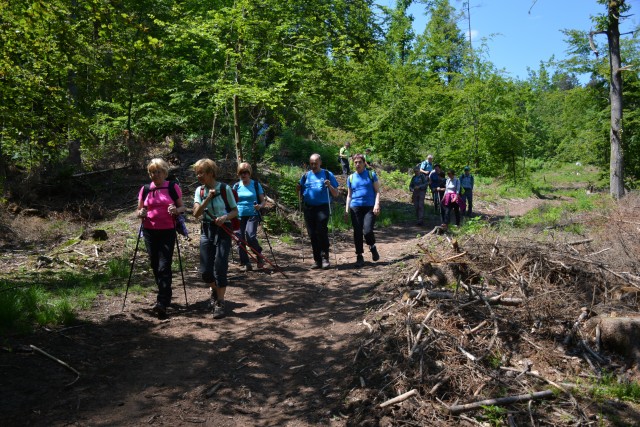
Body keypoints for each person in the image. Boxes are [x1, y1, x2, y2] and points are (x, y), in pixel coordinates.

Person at [136, 158, 186, 318]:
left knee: (164, 265)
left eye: (158, 172)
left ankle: (162, 302)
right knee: (155, 264)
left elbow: (183, 207)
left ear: (164, 172)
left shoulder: (172, 187)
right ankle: (166, 293)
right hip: (149, 231)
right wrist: (141, 213)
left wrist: (176, 210)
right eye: (152, 172)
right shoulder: (145, 189)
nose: (155, 175)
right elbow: (139, 210)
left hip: (167, 230)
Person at [193, 158, 239, 319]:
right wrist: (208, 198)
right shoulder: (199, 191)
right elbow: (196, 213)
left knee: (220, 266)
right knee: (206, 271)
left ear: (211, 173)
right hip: (207, 230)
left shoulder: (225, 189)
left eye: (201, 173)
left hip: (224, 230)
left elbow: (235, 211)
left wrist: (224, 217)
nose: (198, 176)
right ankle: (213, 290)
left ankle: (220, 301)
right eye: (197, 173)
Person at [297, 154, 340, 269]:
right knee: (312, 234)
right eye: (311, 163)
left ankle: (325, 257)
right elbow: (300, 192)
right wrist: (298, 191)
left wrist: (329, 186)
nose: (313, 165)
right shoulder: (305, 176)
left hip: (322, 207)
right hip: (309, 208)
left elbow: (336, 193)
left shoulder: (327, 174)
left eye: (315, 163)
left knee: (321, 230)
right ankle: (317, 260)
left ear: (320, 162)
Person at [345, 154, 381, 268]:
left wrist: (377, 204)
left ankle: (372, 246)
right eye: (355, 162)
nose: (357, 164)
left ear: (364, 163)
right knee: (357, 232)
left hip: (369, 206)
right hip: (355, 207)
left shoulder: (371, 174)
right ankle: (359, 256)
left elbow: (377, 191)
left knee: (367, 231)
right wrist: (346, 210)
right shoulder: (350, 178)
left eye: (359, 162)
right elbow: (349, 195)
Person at [233, 162, 266, 272]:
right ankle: (246, 262)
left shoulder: (255, 185)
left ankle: (259, 255)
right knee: (239, 238)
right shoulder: (236, 186)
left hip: (252, 214)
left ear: (249, 173)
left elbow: (263, 201)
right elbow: (231, 201)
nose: (244, 174)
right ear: (239, 173)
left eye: (246, 172)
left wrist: (259, 206)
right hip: (238, 215)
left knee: (250, 236)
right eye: (242, 172)